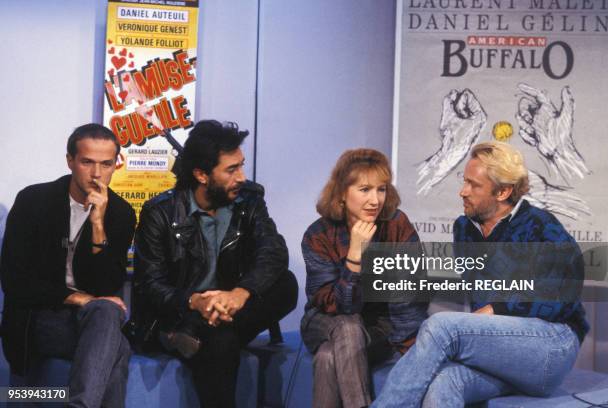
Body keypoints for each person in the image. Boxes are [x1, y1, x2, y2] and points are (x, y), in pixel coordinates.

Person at [373, 141, 589, 407]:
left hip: (552, 346)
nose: (462, 192)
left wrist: (497, 309)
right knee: (444, 382)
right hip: (502, 352)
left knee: (442, 325)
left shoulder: (540, 225)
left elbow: (562, 294)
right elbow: (480, 297)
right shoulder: (464, 228)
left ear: (503, 191)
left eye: (473, 185)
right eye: (464, 182)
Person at [133, 120, 298, 408]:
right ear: (201, 174)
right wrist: (194, 302)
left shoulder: (249, 200)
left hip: (230, 308)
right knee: (221, 339)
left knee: (286, 284)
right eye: (231, 170)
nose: (241, 177)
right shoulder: (160, 212)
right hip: (180, 313)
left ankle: (197, 331)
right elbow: (150, 285)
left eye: (241, 166)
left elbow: (273, 251)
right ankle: (197, 327)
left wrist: (239, 293)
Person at [1, 123, 136, 407]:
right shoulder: (33, 201)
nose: (97, 174)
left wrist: (98, 226)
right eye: (87, 162)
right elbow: (14, 281)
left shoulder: (121, 213)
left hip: (90, 321)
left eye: (106, 164)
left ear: (116, 165)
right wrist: (77, 297)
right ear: (70, 161)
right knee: (118, 347)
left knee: (105, 311)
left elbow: (107, 287)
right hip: (37, 318)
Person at [301, 148, 429, 408]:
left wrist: (411, 350)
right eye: (364, 190)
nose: (375, 200)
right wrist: (355, 258)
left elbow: (412, 291)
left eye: (381, 189)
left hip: (377, 327)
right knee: (347, 325)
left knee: (327, 357)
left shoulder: (396, 224)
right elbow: (338, 306)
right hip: (323, 321)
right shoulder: (318, 235)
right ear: (341, 194)